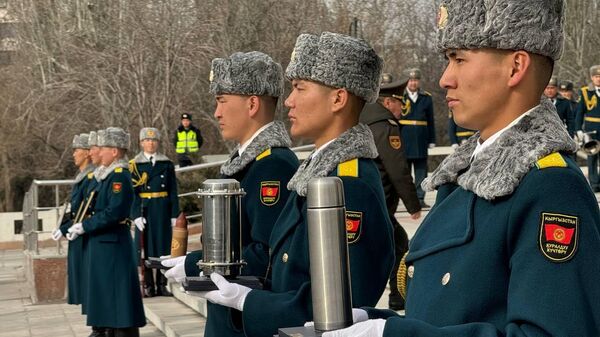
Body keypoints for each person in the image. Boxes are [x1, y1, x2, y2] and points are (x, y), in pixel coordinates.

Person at [323, 1, 600, 336]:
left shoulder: (550, 186)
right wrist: (379, 322)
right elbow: (453, 312)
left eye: (459, 58)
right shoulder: (467, 174)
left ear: (515, 68)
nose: (444, 79)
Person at [201, 32, 394, 337]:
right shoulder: (319, 173)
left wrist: (250, 302)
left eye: (300, 88)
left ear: (338, 99)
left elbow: (342, 307)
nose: (288, 101)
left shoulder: (349, 183)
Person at [161, 51, 299, 337]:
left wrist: (194, 263)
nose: (217, 112)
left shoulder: (272, 164)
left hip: (245, 321)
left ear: (252, 104)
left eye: (222, 101)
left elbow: (267, 254)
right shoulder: (247, 161)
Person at [67, 127, 146, 337]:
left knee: (116, 293)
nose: (97, 152)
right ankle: (106, 327)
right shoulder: (106, 175)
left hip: (112, 242)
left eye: (102, 148)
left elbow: (115, 211)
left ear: (114, 151)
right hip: (103, 242)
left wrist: (85, 225)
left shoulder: (119, 176)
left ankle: (117, 329)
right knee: (105, 292)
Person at [360, 72, 421, 311]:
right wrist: (413, 204)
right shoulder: (385, 126)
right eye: (399, 103)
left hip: (368, 200)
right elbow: (398, 169)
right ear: (388, 103)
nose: (401, 109)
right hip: (381, 200)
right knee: (398, 245)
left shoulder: (363, 120)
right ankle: (397, 297)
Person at [52, 133, 96, 331]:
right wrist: (62, 228)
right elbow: (74, 209)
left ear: (87, 153)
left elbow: (86, 210)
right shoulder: (82, 175)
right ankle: (96, 325)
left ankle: (99, 327)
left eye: (77, 150)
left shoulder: (91, 176)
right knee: (83, 281)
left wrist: (72, 227)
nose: (73, 154)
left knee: (88, 281)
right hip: (77, 232)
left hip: (86, 235)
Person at [130, 127, 179, 297]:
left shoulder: (166, 164)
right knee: (147, 248)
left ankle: (162, 284)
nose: (150, 143)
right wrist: (135, 215)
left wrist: (174, 214)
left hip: (163, 209)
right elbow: (133, 194)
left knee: (163, 247)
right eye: (147, 140)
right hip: (146, 210)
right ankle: (149, 285)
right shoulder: (135, 165)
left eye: (154, 140)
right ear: (141, 143)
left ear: (158, 143)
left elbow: (173, 190)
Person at [400, 67, 436, 207]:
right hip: (405, 138)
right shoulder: (401, 97)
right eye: (410, 80)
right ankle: (409, 201)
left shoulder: (426, 97)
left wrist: (432, 139)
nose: (413, 83)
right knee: (405, 173)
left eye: (415, 80)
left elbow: (431, 120)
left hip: (421, 138)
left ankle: (420, 199)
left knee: (421, 171)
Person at [575, 65, 600, 191]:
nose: (599, 79)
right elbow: (580, 112)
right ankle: (594, 184)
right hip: (592, 129)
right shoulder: (585, 92)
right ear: (592, 78)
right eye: (596, 76)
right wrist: (578, 129)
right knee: (592, 156)